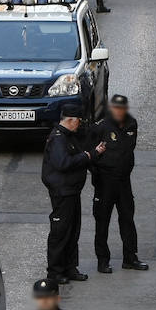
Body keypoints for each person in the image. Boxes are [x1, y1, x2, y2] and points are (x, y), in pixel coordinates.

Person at [43, 103, 105, 282]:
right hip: (62, 192)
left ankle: (70, 268)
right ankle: (55, 272)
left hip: (72, 191)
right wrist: (88, 156)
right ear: (70, 120)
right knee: (60, 232)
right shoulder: (58, 139)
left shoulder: (69, 136)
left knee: (72, 231)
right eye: (79, 120)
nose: (80, 124)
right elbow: (63, 163)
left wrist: (92, 154)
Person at [91, 95, 148, 274]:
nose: (118, 111)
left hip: (123, 181)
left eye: (121, 108)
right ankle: (102, 261)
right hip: (105, 181)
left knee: (127, 219)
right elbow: (91, 153)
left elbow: (129, 149)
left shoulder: (131, 124)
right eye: (115, 108)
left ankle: (130, 257)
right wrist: (97, 175)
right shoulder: (101, 126)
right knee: (102, 222)